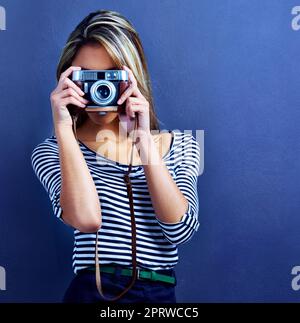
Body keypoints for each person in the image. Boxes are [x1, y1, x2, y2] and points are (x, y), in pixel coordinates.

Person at [31, 9, 200, 303]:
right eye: (87, 78)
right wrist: (63, 127)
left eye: (110, 77)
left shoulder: (183, 145)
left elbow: (180, 229)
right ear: (67, 79)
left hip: (160, 294)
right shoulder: (51, 151)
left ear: (133, 77)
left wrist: (144, 140)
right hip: (92, 290)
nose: (100, 89)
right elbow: (87, 219)